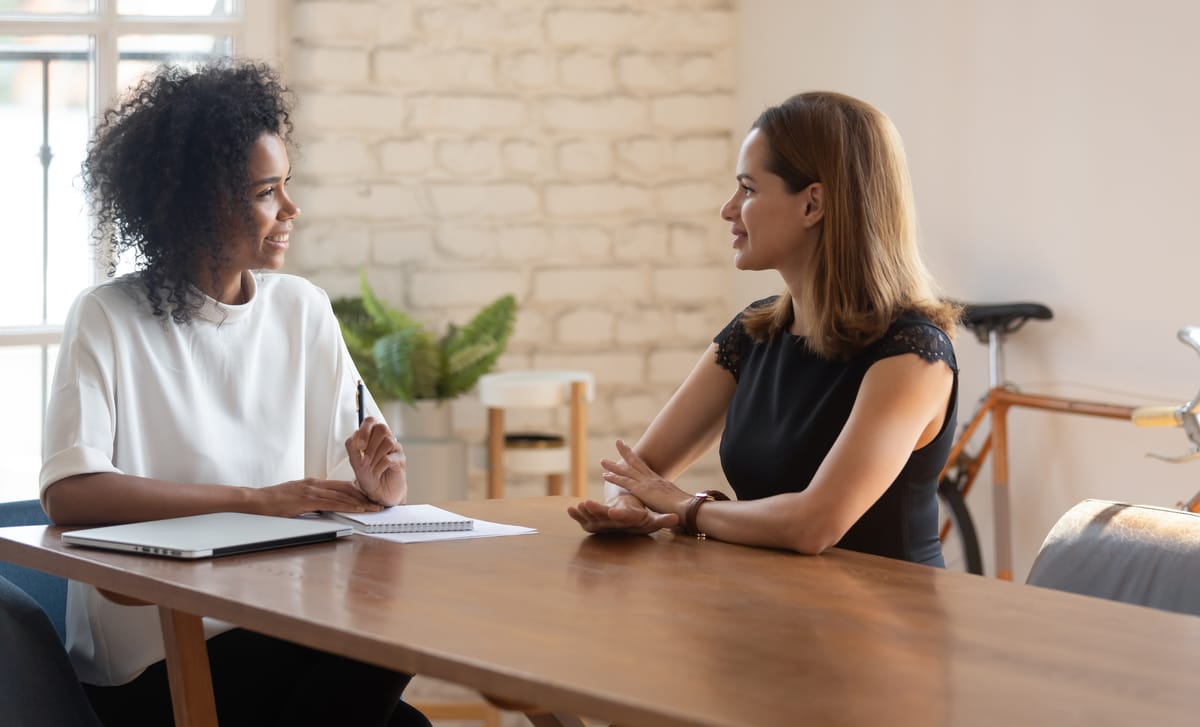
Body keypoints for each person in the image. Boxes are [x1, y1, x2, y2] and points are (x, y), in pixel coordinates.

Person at [40, 60, 430, 726]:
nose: (291, 210)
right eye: (267, 192)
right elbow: (71, 494)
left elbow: (356, 482)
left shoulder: (302, 309)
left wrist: (382, 485)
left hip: (282, 626)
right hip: (153, 662)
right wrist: (258, 502)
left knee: (405, 686)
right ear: (199, 206)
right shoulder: (107, 316)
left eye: (287, 186)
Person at [568, 91, 960, 566]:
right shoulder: (753, 333)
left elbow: (813, 525)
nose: (728, 209)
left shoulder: (913, 353)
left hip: (884, 629)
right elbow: (637, 471)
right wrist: (628, 506)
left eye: (748, 189)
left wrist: (684, 507)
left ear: (813, 204)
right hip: (774, 610)